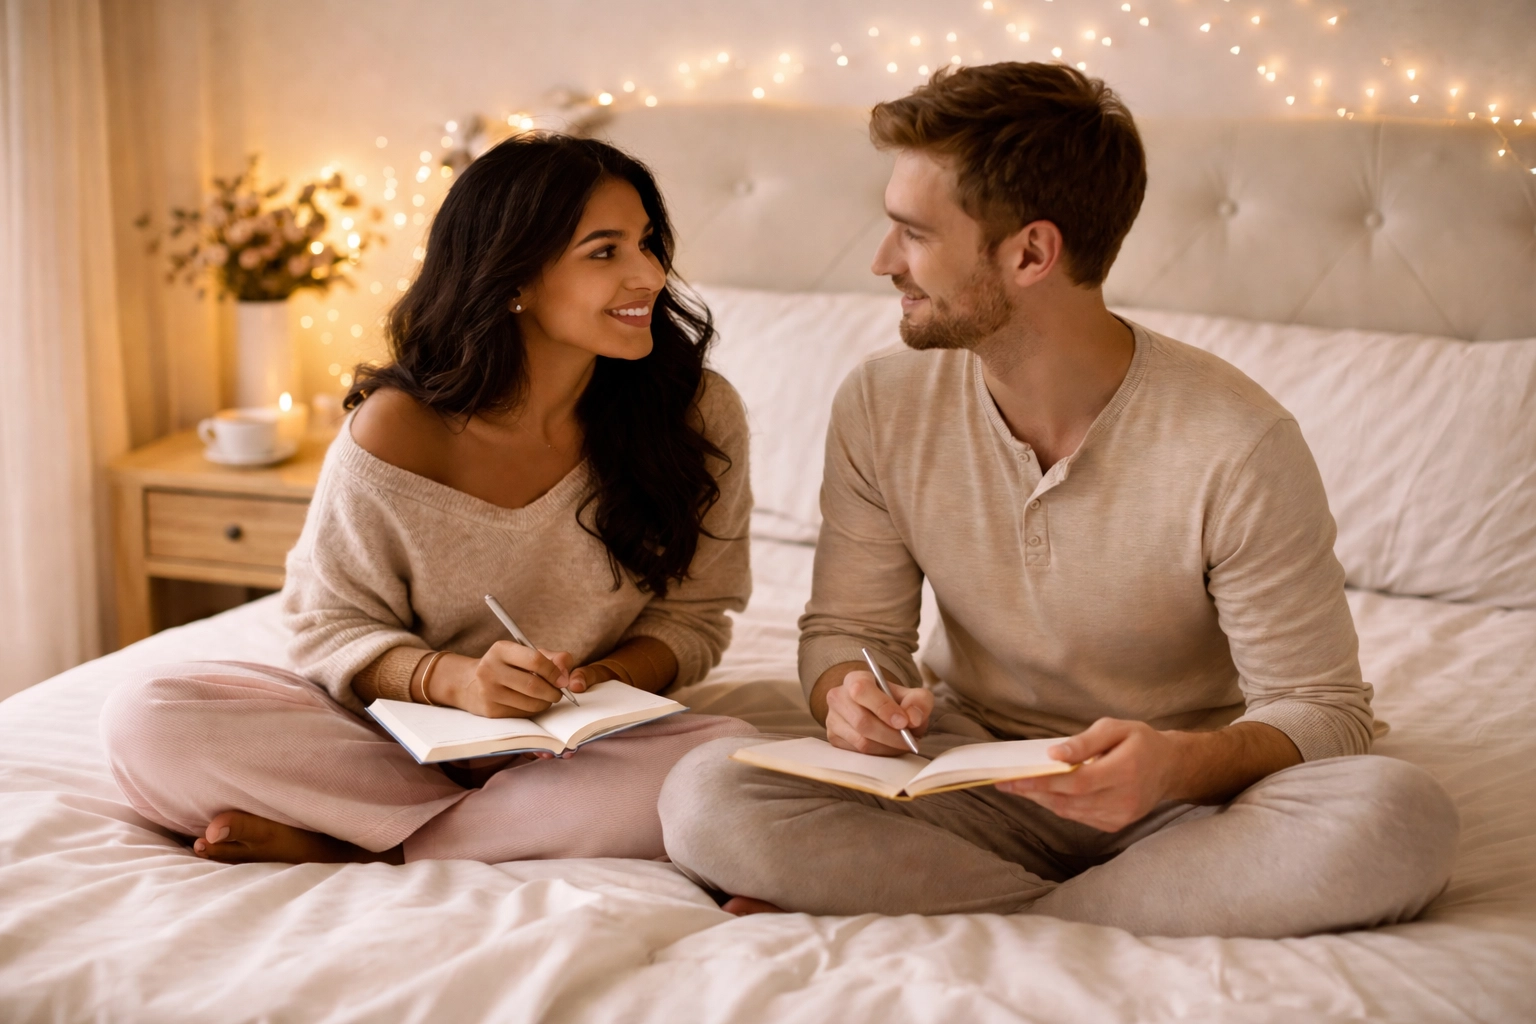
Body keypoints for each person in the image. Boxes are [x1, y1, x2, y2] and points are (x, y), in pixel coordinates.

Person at [658, 62, 1460, 937]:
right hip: (964, 776)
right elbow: (848, 636)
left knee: (1397, 815)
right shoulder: (881, 404)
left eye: (913, 235)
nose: (883, 261)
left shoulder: (1238, 442)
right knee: (707, 795)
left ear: (1031, 253)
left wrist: (1176, 767)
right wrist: (852, 694)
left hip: (1187, 802)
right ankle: (1089, 914)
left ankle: (1002, 910)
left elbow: (1324, 707)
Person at [101, 134, 756, 865]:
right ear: (513, 278)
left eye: (646, 243)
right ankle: (468, 832)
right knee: (150, 716)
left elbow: (697, 617)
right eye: (605, 252)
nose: (650, 275)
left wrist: (601, 680)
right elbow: (327, 626)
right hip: (395, 737)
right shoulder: (397, 430)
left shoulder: (696, 414)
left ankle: (363, 844)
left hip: (585, 741)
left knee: (725, 759)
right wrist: (458, 684)